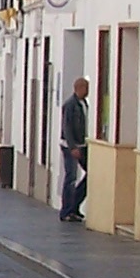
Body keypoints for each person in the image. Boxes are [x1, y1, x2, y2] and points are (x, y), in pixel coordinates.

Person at [59, 76, 90, 221]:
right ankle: (66, 211)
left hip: (82, 145)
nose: (88, 91)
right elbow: (67, 127)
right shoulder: (70, 104)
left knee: (91, 175)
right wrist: (72, 147)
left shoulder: (83, 103)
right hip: (70, 147)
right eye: (86, 88)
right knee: (71, 177)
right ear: (79, 88)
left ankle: (74, 206)